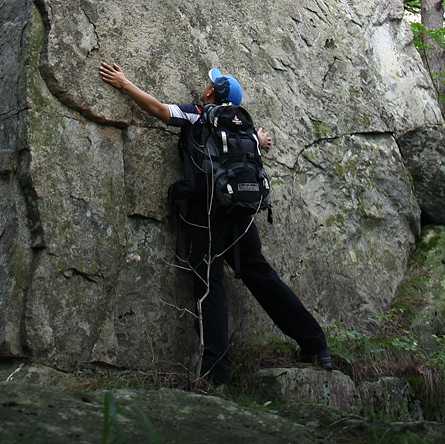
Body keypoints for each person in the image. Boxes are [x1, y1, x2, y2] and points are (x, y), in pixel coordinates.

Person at [99, 61, 333, 386]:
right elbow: (257, 142)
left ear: (211, 91)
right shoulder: (244, 127)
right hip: (241, 214)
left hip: (206, 212)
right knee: (262, 277)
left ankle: (216, 375)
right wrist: (261, 138)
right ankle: (316, 343)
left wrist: (124, 83)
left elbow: (158, 109)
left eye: (209, 84)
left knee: (210, 288)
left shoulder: (197, 113)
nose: (205, 86)